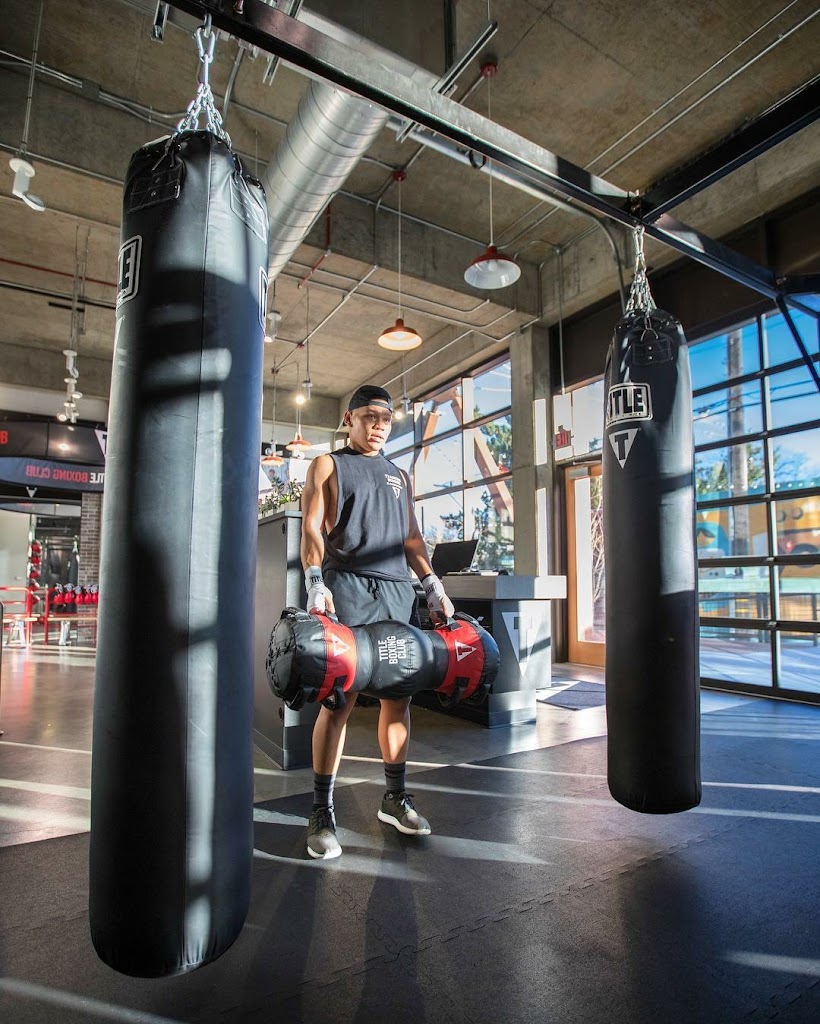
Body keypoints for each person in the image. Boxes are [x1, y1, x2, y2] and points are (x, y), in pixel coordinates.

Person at [300, 383, 455, 859]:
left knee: (398, 699)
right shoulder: (328, 464)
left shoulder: (397, 474)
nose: (378, 426)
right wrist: (314, 582)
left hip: (394, 592)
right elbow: (311, 526)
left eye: (385, 419)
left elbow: (410, 538)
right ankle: (322, 810)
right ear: (349, 419)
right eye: (368, 417)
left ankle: (394, 797)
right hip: (345, 586)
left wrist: (432, 585)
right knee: (338, 702)